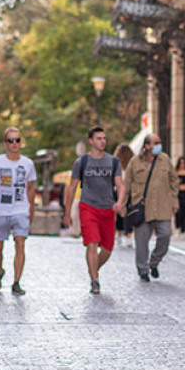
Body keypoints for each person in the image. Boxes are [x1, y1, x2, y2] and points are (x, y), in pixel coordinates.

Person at [63, 126, 125, 295]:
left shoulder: (113, 162)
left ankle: (93, 269)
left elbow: (120, 185)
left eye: (104, 138)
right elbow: (72, 187)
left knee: (107, 249)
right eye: (99, 138)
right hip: (88, 207)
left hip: (107, 209)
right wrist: (67, 213)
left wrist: (119, 202)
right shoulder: (81, 162)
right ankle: (95, 280)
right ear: (90, 141)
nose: (102, 141)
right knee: (91, 243)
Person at [0, 127, 37, 295]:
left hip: (21, 210)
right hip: (0, 211)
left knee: (20, 244)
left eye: (17, 140)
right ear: (6, 143)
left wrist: (31, 210)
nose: (14, 144)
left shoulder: (28, 164)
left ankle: (16, 282)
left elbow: (31, 189)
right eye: (11, 140)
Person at [124, 134, 179, 282]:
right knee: (141, 243)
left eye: (159, 143)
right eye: (156, 143)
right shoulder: (135, 162)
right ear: (147, 146)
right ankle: (143, 270)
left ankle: (154, 262)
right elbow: (126, 185)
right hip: (141, 208)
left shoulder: (165, 160)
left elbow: (174, 181)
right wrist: (123, 206)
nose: (159, 146)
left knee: (165, 235)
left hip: (163, 207)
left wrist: (175, 202)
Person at [113, 143, 136, 247]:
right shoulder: (133, 164)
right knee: (129, 213)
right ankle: (129, 236)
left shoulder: (115, 164)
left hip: (117, 191)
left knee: (118, 214)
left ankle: (118, 233)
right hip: (129, 191)